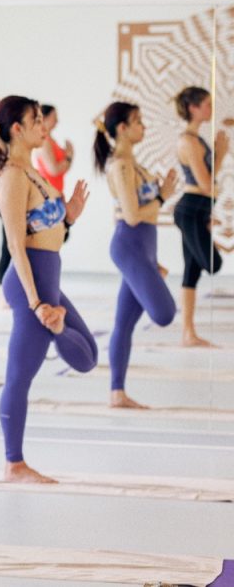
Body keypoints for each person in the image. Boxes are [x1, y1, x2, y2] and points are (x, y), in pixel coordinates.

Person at [0, 96, 96, 484]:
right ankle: (14, 464)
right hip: (31, 284)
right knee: (19, 376)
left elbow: (42, 229)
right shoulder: (12, 177)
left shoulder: (31, 171)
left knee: (88, 355)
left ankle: (14, 463)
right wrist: (35, 302)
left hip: (47, 278)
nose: (44, 127)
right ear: (17, 129)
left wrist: (70, 218)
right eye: (37, 120)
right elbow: (16, 244)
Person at [93, 102, 177, 408]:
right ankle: (116, 390)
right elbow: (131, 216)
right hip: (130, 246)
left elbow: (144, 210)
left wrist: (161, 193)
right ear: (122, 129)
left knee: (124, 323)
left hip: (142, 248)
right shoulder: (121, 166)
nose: (144, 127)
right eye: (138, 122)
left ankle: (117, 393)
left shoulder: (133, 163)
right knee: (164, 313)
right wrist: (163, 196)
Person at [174, 86, 227, 347]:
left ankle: (188, 333)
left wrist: (218, 154)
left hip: (198, 209)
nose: (210, 109)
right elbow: (206, 184)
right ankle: (187, 332)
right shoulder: (188, 141)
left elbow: (208, 181)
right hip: (191, 209)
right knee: (213, 264)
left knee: (191, 272)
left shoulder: (196, 139)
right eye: (206, 104)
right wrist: (221, 155)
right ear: (193, 108)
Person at [33, 104, 73, 193]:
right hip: (50, 193)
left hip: (56, 192)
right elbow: (53, 170)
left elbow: (62, 169)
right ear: (44, 118)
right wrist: (69, 156)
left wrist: (69, 156)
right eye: (54, 117)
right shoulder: (44, 141)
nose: (57, 121)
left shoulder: (50, 140)